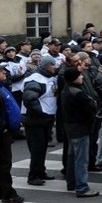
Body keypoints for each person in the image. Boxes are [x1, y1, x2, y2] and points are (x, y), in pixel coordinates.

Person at [60, 66, 99, 197]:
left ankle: (71, 182)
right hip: (80, 128)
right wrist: (92, 102)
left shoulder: (66, 90)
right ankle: (82, 187)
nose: (82, 77)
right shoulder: (78, 93)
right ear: (74, 78)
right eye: (80, 75)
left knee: (72, 157)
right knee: (81, 160)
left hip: (70, 127)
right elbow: (91, 107)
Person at [21, 56, 59, 186]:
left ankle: (41, 171)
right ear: (46, 66)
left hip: (46, 118)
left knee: (42, 148)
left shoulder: (50, 77)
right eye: (52, 65)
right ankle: (33, 176)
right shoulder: (34, 80)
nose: (55, 67)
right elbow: (29, 99)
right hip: (35, 119)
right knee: (37, 148)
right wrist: (42, 113)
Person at [0, 63, 23, 203]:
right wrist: (3, 129)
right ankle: (8, 194)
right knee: (3, 163)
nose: (4, 72)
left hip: (0, 132)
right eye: (0, 71)